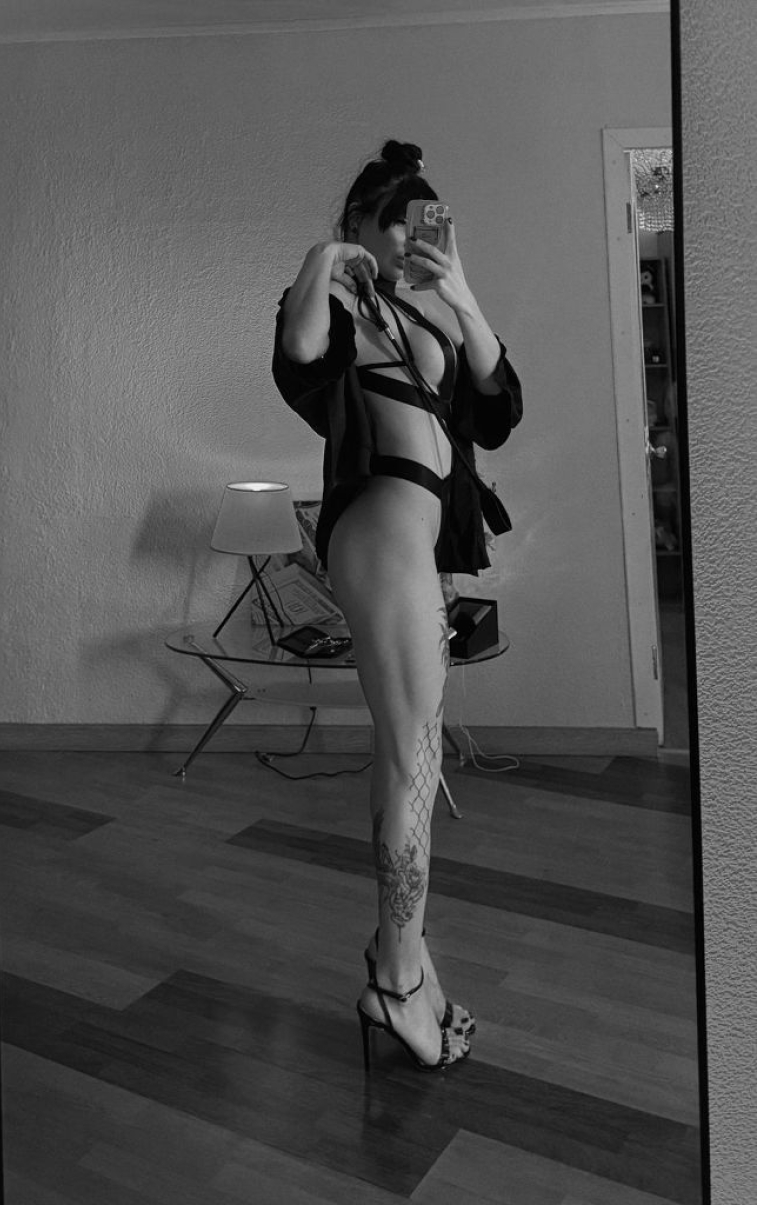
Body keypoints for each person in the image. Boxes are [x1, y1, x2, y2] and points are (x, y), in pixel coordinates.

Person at [272, 141, 522, 1070]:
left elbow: (498, 409)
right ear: (358, 229)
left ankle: (401, 957)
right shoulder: (334, 303)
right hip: (381, 525)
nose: (417, 243)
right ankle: (399, 984)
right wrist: (323, 261)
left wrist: (461, 292)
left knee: (404, 752)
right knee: (415, 757)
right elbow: (302, 357)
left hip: (417, 539)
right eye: (400, 228)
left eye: (430, 228)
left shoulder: (426, 309)